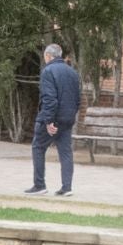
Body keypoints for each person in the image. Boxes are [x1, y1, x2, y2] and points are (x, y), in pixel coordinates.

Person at [28, 42, 83, 195]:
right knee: (65, 152)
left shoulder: (48, 71)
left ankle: (39, 185)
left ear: (48, 56)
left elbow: (49, 99)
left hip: (52, 119)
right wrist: (71, 114)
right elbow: (78, 99)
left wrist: (48, 121)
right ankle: (67, 188)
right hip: (68, 118)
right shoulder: (72, 72)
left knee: (38, 147)